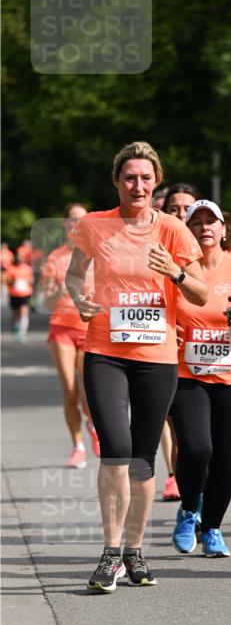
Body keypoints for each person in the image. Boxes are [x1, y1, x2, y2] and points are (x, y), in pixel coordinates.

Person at [65, 140, 207, 592]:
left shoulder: (172, 230)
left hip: (156, 357)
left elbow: (203, 294)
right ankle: (110, 554)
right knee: (116, 448)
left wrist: (177, 273)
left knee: (144, 458)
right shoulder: (94, 225)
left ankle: (135, 550)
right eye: (129, 177)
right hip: (106, 351)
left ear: (156, 181)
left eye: (146, 177)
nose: (138, 185)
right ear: (116, 182)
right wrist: (79, 297)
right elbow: (73, 273)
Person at [170, 200, 231, 557]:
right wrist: (171, 334)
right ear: (187, 231)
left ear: (225, 230)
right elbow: (159, 313)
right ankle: (187, 511)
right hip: (186, 373)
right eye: (196, 222)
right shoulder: (177, 270)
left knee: (227, 454)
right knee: (197, 448)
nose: (205, 227)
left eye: (213, 222)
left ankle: (212, 528)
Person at [40, 203, 100, 467]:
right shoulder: (55, 258)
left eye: (82, 220)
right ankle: (77, 446)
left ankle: (93, 424)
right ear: (65, 225)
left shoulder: (97, 255)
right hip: (62, 328)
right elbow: (46, 301)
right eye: (72, 220)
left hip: (90, 328)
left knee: (89, 392)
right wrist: (60, 291)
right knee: (70, 391)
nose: (77, 225)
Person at [158, 182, 202, 500]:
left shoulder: (216, 251)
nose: (183, 215)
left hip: (208, 355)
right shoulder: (156, 249)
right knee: (174, 424)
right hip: (167, 351)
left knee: (202, 437)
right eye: (175, 209)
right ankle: (178, 480)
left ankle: (197, 493)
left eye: (189, 209)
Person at [6, 252, 33, 342]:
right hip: (14, 294)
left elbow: (31, 280)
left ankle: (22, 333)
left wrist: (26, 281)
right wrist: (14, 281)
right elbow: (8, 280)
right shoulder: (11, 268)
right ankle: (15, 326)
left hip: (25, 294)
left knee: (24, 312)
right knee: (15, 313)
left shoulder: (27, 268)